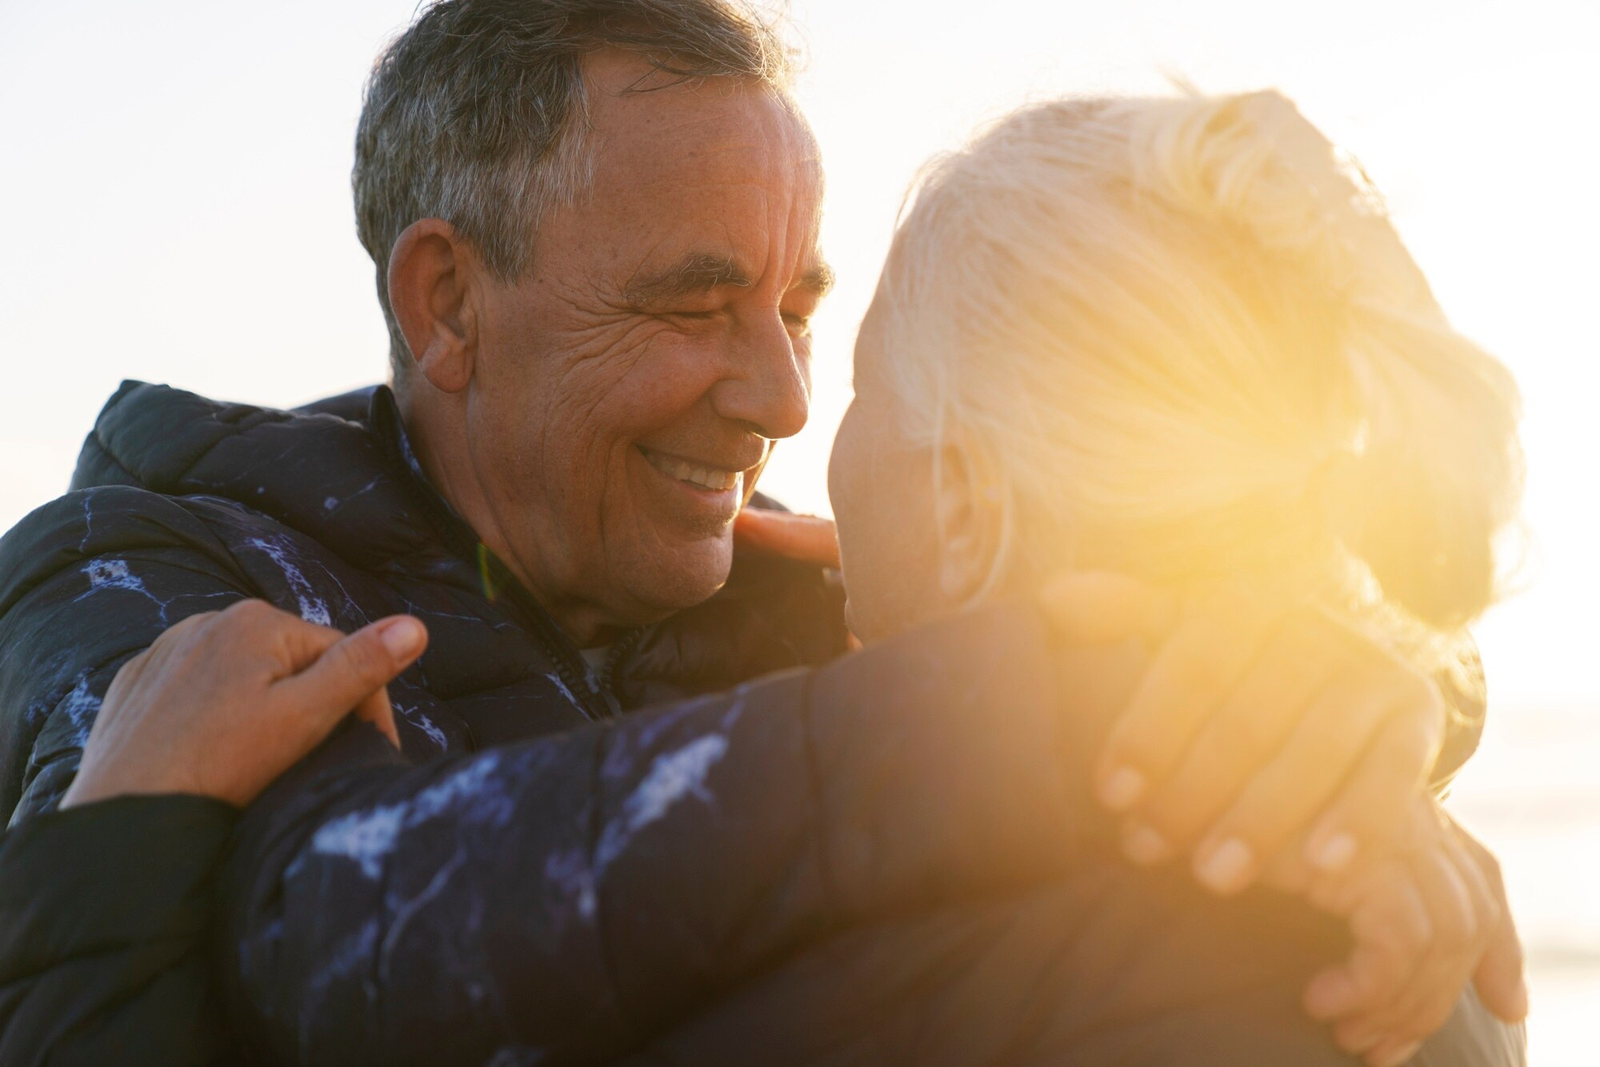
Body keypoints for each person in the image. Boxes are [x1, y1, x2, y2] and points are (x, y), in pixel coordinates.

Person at [0, 0, 1524, 1062]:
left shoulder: (814, 587)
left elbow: (1183, 529)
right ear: (447, 302)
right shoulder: (150, 595)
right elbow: (317, 940)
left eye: (801, 309)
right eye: (694, 302)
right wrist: (1062, 709)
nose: (785, 402)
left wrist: (1364, 715)